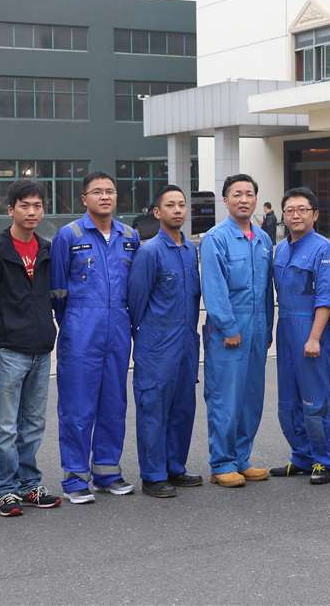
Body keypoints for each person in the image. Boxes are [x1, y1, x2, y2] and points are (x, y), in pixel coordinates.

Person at [50, 171, 140, 503]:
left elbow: (135, 286)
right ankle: (75, 477)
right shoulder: (69, 236)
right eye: (97, 192)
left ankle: (107, 472)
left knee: (113, 403)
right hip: (80, 330)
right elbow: (58, 290)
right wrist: (74, 322)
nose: (105, 197)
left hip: (118, 329)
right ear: (84, 198)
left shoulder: (129, 236)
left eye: (110, 191)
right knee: (77, 406)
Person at [0, 179, 62, 517]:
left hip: (41, 348)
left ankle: (29, 485)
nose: (31, 212)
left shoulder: (47, 249)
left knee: (34, 423)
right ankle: (6, 488)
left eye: (37, 206)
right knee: (6, 426)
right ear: (10, 209)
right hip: (9, 348)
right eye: (24, 206)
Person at [128, 185, 204, 498]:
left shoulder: (189, 251)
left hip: (186, 341)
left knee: (183, 407)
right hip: (157, 345)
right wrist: (147, 340)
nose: (177, 210)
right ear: (157, 213)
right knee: (153, 410)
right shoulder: (149, 252)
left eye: (181, 205)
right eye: (170, 205)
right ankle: (153, 475)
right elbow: (136, 301)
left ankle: (175, 467)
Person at [199, 174, 274, 487]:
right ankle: (222, 462)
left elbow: (267, 290)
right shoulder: (215, 239)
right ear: (225, 200)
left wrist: (267, 328)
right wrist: (228, 326)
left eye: (249, 194)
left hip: (257, 328)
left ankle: (242, 458)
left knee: (251, 397)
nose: (244, 200)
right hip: (228, 329)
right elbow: (214, 287)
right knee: (225, 398)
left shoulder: (263, 240)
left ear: (256, 198)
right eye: (237, 194)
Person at [268, 187, 330, 485]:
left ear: (315, 214)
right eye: (290, 210)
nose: (295, 215)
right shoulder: (281, 249)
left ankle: (326, 460)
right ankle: (302, 456)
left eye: (302, 210)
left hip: (312, 329)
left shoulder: (324, 250)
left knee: (315, 400)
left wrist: (314, 337)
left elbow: (326, 297)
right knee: (288, 401)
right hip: (286, 328)